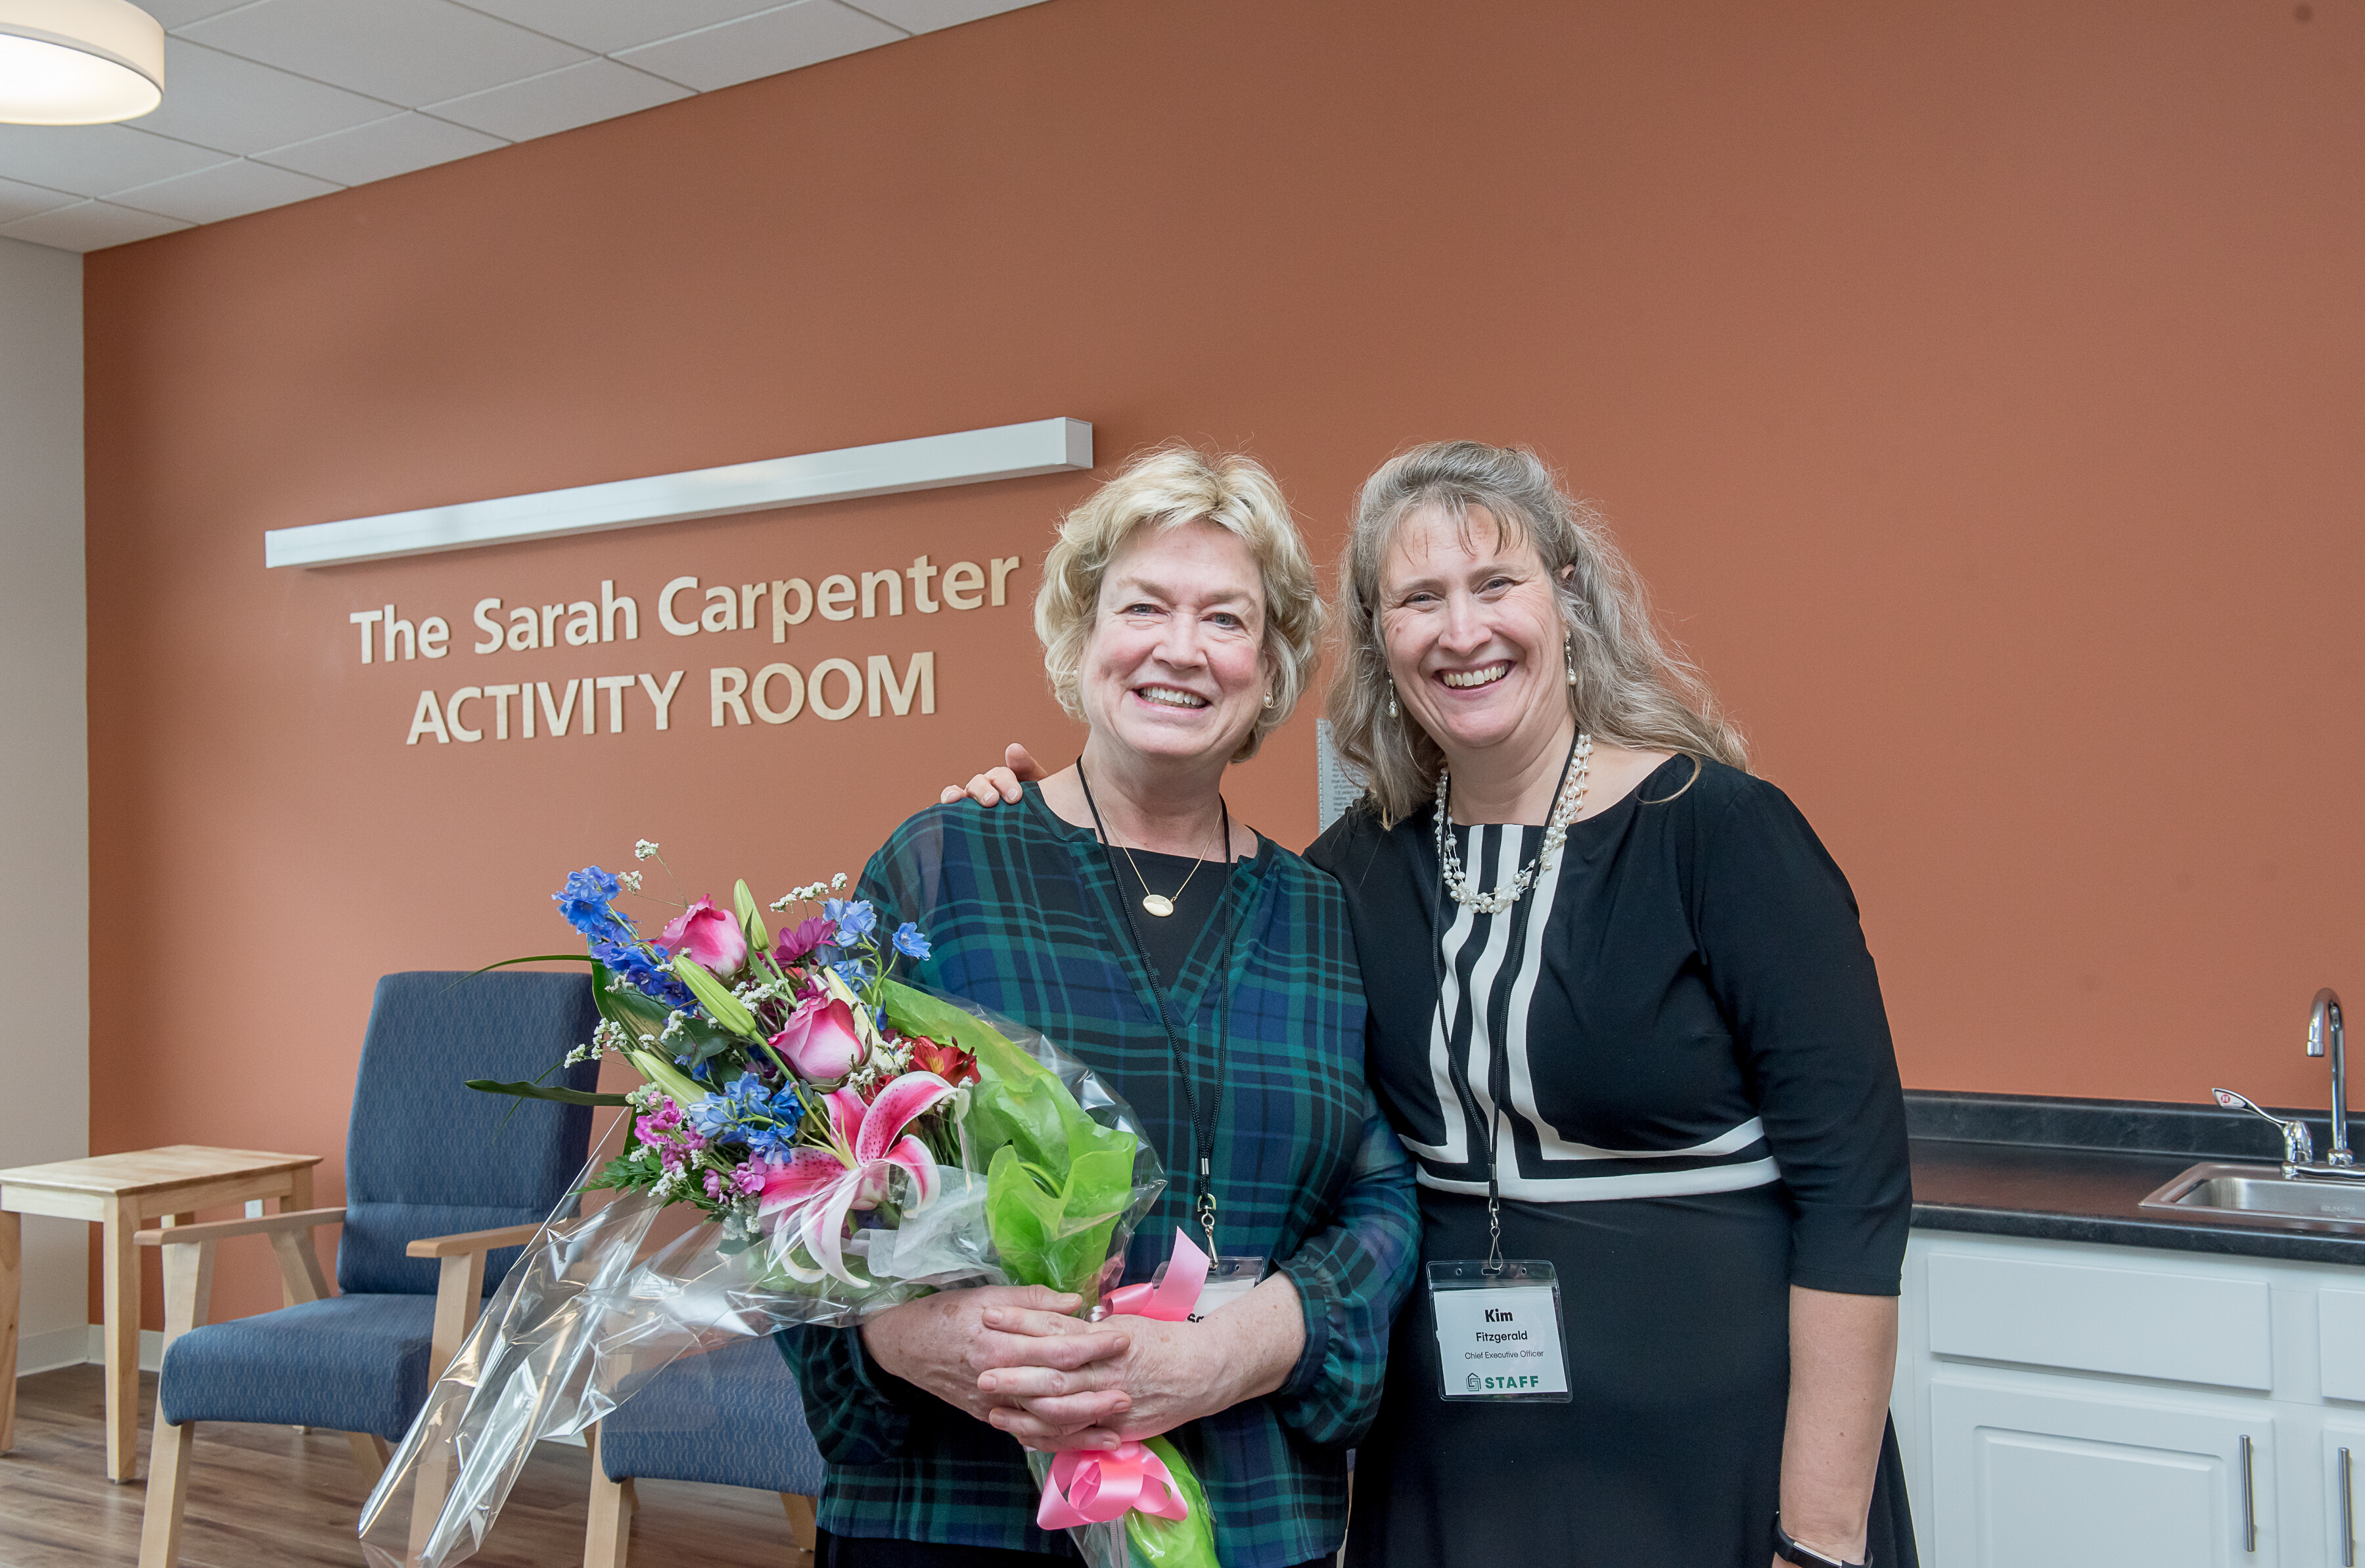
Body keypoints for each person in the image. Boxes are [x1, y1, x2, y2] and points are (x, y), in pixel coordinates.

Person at [946, 441, 1916, 1568]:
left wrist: (1824, 1533)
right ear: (1378, 637)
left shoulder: (1724, 832)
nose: (1462, 632)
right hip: (1454, 1462)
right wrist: (1011, 821)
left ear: (1567, 595)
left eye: (1495, 584)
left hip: (1718, 1458)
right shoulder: (1348, 875)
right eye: (1418, 598)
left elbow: (1856, 1196)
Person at [790, 446, 1421, 1568]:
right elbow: (799, 1167)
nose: (1182, 649)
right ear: (1081, 638)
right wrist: (898, 1330)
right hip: (959, 1501)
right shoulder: (945, 866)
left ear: (1270, 671)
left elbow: (1381, 1201)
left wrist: (1239, 1350)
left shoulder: (1326, 914)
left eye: (1226, 620)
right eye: (1144, 607)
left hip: (1240, 1506)